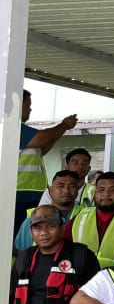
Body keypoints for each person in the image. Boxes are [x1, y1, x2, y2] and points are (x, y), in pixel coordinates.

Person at [16, 90, 77, 233]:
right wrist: (64, 125)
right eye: (28, 105)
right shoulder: (13, 128)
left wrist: (59, 131)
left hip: (30, 193)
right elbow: (43, 137)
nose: (30, 109)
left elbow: (43, 147)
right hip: (19, 194)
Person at [67, 172, 114, 268]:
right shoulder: (80, 216)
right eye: (101, 189)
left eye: (113, 189)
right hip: (81, 278)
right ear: (95, 192)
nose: (106, 194)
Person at [15, 171, 82, 251]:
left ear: (77, 190)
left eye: (72, 186)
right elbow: (20, 253)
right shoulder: (33, 218)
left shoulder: (86, 216)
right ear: (50, 190)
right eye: (61, 186)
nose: (66, 191)